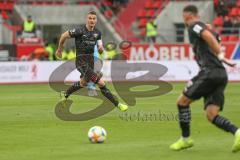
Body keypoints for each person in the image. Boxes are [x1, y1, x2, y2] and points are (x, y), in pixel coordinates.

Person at [170, 5, 240, 152]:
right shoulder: (207, 29)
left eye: (184, 18)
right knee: (211, 115)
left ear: (187, 16)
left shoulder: (193, 25)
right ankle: (237, 132)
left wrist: (221, 55)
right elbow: (213, 36)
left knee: (182, 102)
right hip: (221, 74)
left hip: (209, 72)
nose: (184, 21)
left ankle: (185, 139)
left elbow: (207, 36)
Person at [55, 11, 128, 112]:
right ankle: (118, 104)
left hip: (90, 62)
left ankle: (65, 94)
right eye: (90, 18)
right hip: (81, 62)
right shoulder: (79, 31)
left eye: (94, 19)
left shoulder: (97, 33)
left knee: (83, 83)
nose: (92, 20)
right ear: (87, 19)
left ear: (96, 20)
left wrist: (101, 49)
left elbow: (100, 46)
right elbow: (64, 35)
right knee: (101, 83)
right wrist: (60, 49)